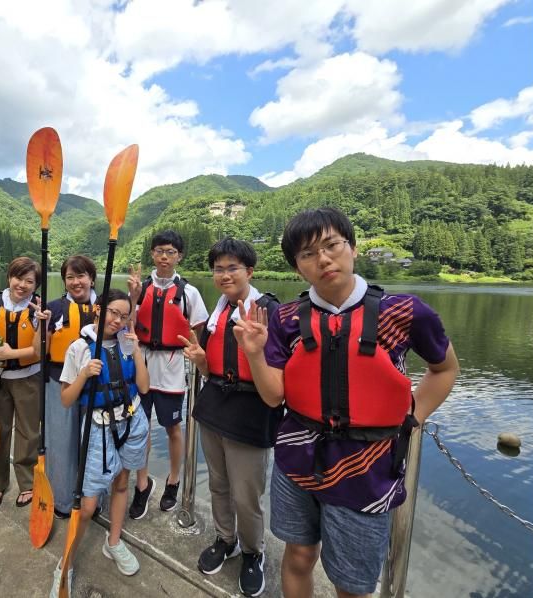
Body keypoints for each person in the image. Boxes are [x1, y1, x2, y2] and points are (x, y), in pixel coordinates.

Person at [234, 207, 459, 598]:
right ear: (297, 267)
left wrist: (412, 416)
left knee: (352, 585)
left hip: (368, 469)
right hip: (296, 459)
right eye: (307, 254)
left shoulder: (404, 312)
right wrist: (254, 353)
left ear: (352, 248)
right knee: (299, 555)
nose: (322, 259)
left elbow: (444, 370)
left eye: (331, 245)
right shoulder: (286, 318)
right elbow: (274, 395)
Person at [179, 238, 283, 597]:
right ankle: (227, 539)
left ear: (249, 271)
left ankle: (254, 552)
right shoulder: (217, 314)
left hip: (251, 413)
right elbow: (214, 370)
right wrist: (201, 360)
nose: (224, 275)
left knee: (246, 495)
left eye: (232, 268)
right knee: (219, 485)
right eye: (218, 269)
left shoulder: (268, 310)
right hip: (214, 407)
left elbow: (278, 376)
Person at [49, 289, 150, 597]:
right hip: (99, 428)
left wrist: (136, 353)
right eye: (113, 313)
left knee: (122, 484)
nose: (117, 321)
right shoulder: (79, 348)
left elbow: (144, 387)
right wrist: (83, 375)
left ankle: (114, 542)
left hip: (132, 422)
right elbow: (66, 399)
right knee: (89, 504)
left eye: (124, 316)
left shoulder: (127, 343)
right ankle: (64, 566)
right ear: (98, 310)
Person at [126, 230, 208, 519]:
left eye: (171, 252)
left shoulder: (189, 293)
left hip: (172, 369)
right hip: (143, 364)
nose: (164, 256)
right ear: (152, 254)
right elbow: (127, 327)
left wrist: (200, 360)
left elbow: (199, 334)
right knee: (140, 427)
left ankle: (173, 480)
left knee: (174, 428)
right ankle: (142, 483)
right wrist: (134, 299)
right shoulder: (140, 288)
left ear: (179, 256)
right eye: (160, 251)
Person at [0, 256, 47, 510]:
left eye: (30, 281)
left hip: (29, 377)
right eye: (19, 278)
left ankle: (27, 483)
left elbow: (39, 352)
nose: (23, 285)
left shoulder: (39, 309)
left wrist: (10, 354)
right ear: (9, 277)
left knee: (28, 432)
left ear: (36, 285)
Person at [45, 255, 97, 519]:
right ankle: (63, 500)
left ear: (91, 278)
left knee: (95, 442)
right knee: (62, 442)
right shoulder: (52, 309)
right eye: (70, 277)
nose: (76, 282)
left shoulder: (106, 307)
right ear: (64, 281)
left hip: (96, 385)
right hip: (59, 381)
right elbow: (40, 350)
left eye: (81, 276)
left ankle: (93, 499)